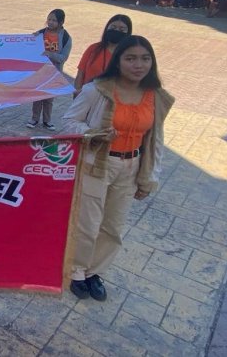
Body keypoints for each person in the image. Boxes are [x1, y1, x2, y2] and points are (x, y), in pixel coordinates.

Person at [63, 35, 174, 302]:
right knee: (87, 222)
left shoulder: (155, 96)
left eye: (145, 58)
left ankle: (94, 272)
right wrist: (93, 132)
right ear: (118, 61)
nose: (139, 65)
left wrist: (150, 177)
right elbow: (68, 123)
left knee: (114, 225)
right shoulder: (97, 89)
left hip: (131, 166)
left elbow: (156, 139)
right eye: (131, 58)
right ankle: (76, 270)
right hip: (97, 164)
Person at [26, 9, 72, 131]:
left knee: (49, 98)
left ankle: (47, 121)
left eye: (54, 20)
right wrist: (30, 40)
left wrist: (49, 54)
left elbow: (63, 58)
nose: (50, 22)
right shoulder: (40, 33)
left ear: (61, 22)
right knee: (37, 96)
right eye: (49, 19)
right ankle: (34, 119)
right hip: (40, 71)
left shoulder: (66, 38)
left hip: (54, 73)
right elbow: (31, 47)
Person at [74, 15, 133, 96]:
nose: (116, 31)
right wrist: (77, 92)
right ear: (107, 28)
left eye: (122, 29)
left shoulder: (129, 55)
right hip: (86, 97)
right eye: (113, 27)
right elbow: (80, 73)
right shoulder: (93, 48)